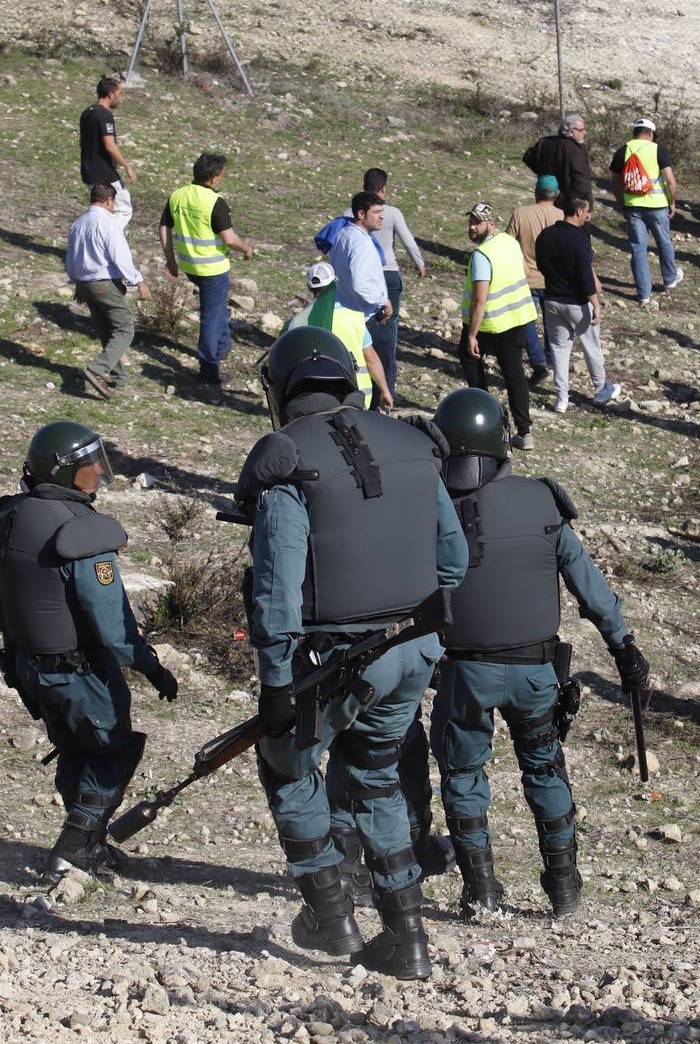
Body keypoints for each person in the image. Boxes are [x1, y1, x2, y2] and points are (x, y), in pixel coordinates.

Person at [234, 326, 468, 979]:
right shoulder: (414, 443)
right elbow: (454, 558)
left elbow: (277, 588)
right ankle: (406, 936)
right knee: (374, 776)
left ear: (282, 391)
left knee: (287, 766)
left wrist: (276, 681)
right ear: (347, 380)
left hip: (336, 656)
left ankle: (330, 915)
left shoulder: (284, 456)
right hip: (415, 648)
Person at [430, 389, 648, 915]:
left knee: (463, 776)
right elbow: (589, 588)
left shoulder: (428, 506)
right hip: (534, 673)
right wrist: (624, 648)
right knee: (546, 769)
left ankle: (481, 890)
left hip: (464, 673)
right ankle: (564, 887)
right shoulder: (542, 501)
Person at [0, 422, 178, 874]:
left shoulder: (11, 517)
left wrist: (18, 656)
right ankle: (72, 849)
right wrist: (151, 667)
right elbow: (112, 623)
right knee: (113, 750)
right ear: (64, 472)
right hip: (79, 673)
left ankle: (88, 845)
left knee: (75, 751)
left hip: (31, 668)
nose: (98, 472)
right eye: (90, 464)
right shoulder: (83, 533)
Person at [160, 152, 254, 386]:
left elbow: (164, 226)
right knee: (211, 317)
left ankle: (222, 347)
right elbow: (230, 239)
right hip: (212, 269)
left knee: (217, 306)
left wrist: (170, 259)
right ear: (213, 177)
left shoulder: (178, 196)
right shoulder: (215, 202)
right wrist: (246, 249)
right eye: (221, 174)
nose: (222, 178)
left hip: (189, 264)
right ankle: (209, 367)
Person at [459, 202, 537, 450]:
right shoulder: (509, 242)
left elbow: (480, 299)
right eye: (470, 221)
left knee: (471, 362)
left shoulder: (482, 256)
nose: (471, 227)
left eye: (476, 222)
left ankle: (486, 422)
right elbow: (523, 271)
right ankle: (525, 432)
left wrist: (472, 334)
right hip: (518, 319)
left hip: (491, 323)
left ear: (490, 223)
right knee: (515, 375)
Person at [535, 196, 622, 410]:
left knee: (559, 349)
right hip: (577, 303)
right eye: (587, 211)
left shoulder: (545, 235)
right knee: (591, 346)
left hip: (552, 299)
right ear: (578, 212)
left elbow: (541, 264)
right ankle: (601, 388)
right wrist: (596, 304)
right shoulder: (580, 239)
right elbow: (584, 276)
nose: (588, 215)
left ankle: (561, 398)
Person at [66, 184, 150, 399]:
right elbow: (120, 256)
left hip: (86, 284)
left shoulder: (78, 223)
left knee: (106, 330)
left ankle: (119, 377)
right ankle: (97, 369)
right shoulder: (108, 223)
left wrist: (77, 282)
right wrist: (137, 281)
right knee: (124, 329)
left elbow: (72, 257)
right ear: (109, 201)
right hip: (103, 283)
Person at [284, 262, 392, 408]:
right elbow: (371, 358)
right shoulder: (354, 318)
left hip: (318, 399)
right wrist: (385, 391)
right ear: (335, 283)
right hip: (358, 396)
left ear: (310, 288)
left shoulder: (300, 322)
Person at [361, 167, 426, 402]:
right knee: (389, 331)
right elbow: (407, 240)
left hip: (362, 277)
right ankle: (387, 389)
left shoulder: (353, 211)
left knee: (362, 330)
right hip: (388, 273)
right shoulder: (392, 212)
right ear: (383, 189)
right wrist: (419, 263)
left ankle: (366, 385)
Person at [609, 117, 681, 305]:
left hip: (633, 207)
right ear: (650, 134)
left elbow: (615, 182)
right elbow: (671, 181)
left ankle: (644, 294)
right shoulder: (658, 150)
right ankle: (670, 279)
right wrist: (672, 202)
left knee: (638, 249)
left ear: (635, 132)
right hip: (657, 206)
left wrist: (622, 204)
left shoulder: (623, 151)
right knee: (663, 242)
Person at [506, 175, 561, 386]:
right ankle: (550, 360)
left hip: (526, 276)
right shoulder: (562, 215)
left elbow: (508, 242)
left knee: (525, 320)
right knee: (552, 324)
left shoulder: (521, 213)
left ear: (535, 192)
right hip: (554, 279)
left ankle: (538, 361)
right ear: (556, 194)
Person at [79, 76, 136, 229]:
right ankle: (106, 242)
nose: (120, 97)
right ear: (111, 94)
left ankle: (92, 240)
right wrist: (126, 166)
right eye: (120, 93)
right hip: (104, 173)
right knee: (123, 210)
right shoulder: (104, 115)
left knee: (101, 210)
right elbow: (109, 145)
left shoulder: (87, 113)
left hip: (87, 171)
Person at [329, 190, 392, 322]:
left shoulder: (343, 233)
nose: (381, 217)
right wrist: (383, 301)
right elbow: (360, 283)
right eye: (376, 212)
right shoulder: (362, 243)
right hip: (362, 316)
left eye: (381, 212)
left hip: (342, 309)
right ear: (361, 214)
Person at [522, 114, 593, 206]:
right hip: (567, 203)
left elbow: (528, 157)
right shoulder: (576, 150)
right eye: (582, 130)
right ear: (571, 131)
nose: (584, 132)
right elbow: (582, 181)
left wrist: (543, 174)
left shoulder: (544, 142)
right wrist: (587, 206)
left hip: (545, 198)